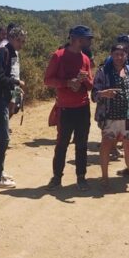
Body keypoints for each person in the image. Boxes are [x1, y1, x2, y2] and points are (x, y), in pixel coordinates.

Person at [93, 44, 129, 197]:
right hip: (109, 116)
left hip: (128, 116)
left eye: (122, 54)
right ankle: (104, 179)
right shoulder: (103, 72)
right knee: (106, 145)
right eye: (116, 54)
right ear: (111, 55)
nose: (119, 57)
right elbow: (93, 94)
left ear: (126, 55)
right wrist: (104, 93)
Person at [44, 25, 94, 191]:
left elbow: (90, 86)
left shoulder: (85, 59)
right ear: (77, 39)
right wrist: (67, 83)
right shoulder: (58, 56)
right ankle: (57, 177)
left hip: (83, 108)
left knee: (82, 144)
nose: (90, 41)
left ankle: (81, 177)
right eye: (88, 38)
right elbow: (47, 80)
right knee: (62, 144)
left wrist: (85, 79)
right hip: (65, 108)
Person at [0, 26, 26, 189]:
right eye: (20, 41)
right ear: (11, 38)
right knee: (2, 139)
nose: (21, 44)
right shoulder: (3, 51)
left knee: (0, 138)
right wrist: (16, 83)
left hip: (3, 99)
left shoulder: (10, 52)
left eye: (23, 41)